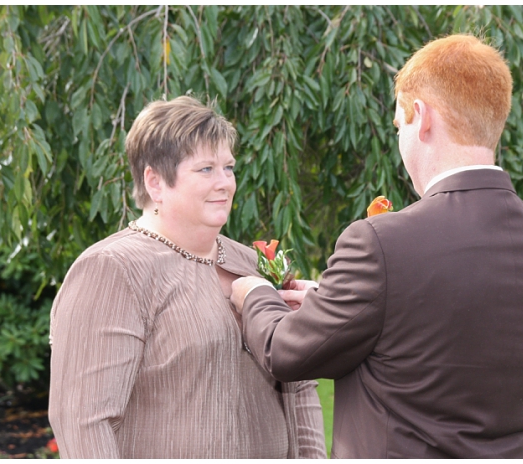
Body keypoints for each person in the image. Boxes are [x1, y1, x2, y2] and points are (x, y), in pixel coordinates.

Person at [230, 34, 523, 458]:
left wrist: (256, 295)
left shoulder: (381, 242)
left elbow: (284, 352)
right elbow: (440, 337)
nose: (399, 140)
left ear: (421, 116)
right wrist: (332, 302)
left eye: (399, 125)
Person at [47, 96, 326, 458]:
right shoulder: (112, 270)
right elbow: (83, 421)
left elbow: (298, 385)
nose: (225, 183)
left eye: (229, 167)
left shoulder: (252, 265)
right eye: (206, 169)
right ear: (155, 181)